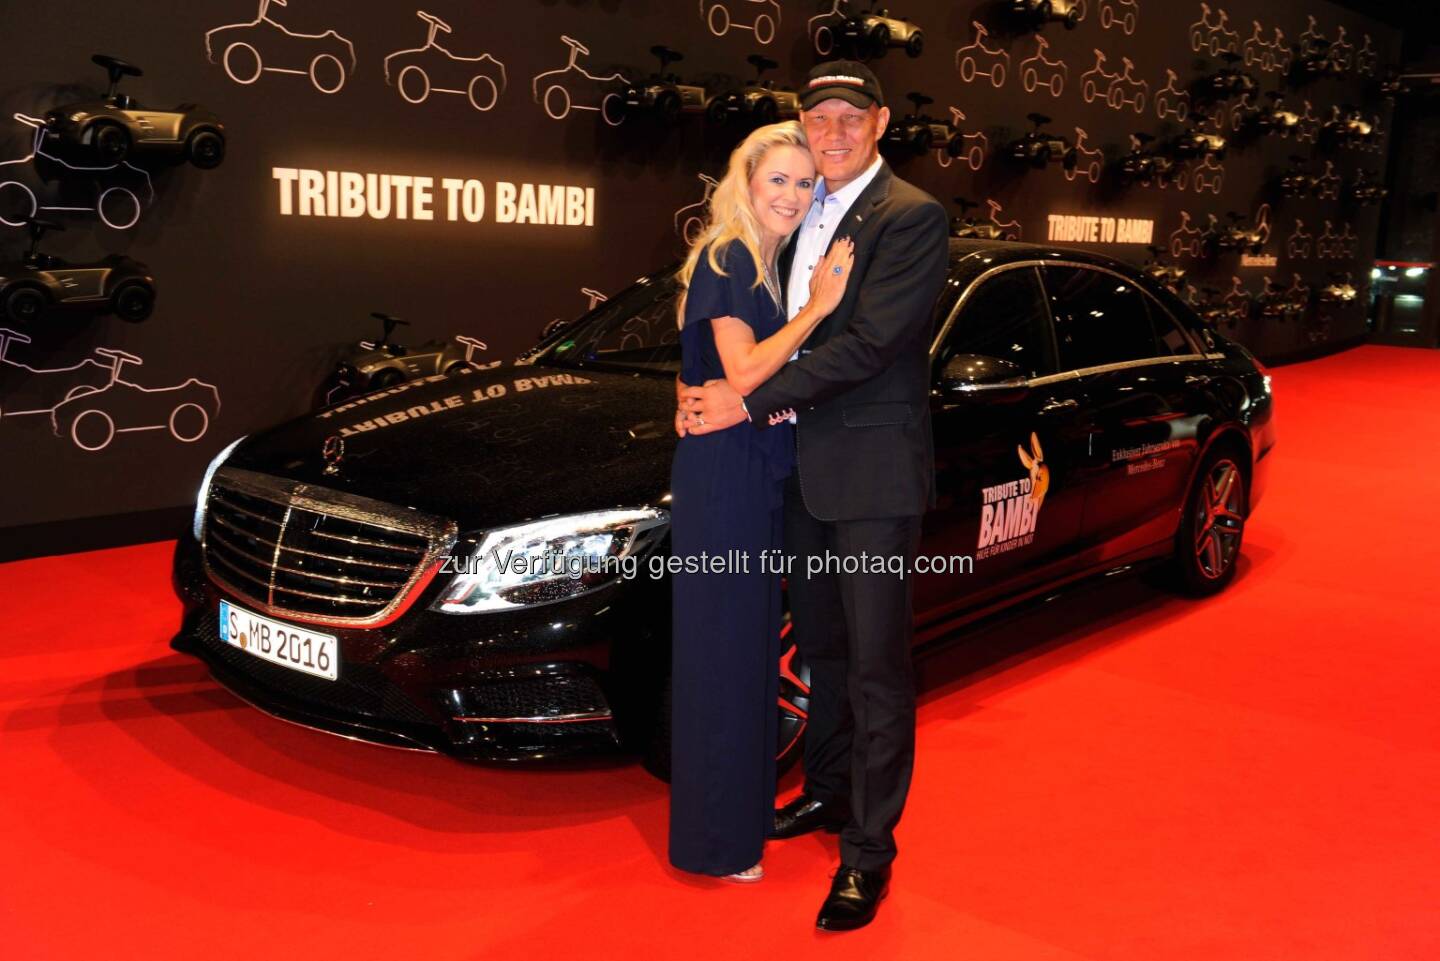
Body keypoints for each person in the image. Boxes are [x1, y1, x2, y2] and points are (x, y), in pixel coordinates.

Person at [677, 60, 949, 929]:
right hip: (795, 472)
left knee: (875, 666)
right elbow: (743, 335)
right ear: (801, 120)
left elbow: (868, 345)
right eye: (817, 117)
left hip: (870, 479)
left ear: (879, 124)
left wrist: (743, 400)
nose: (832, 133)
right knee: (825, 652)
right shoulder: (787, 222)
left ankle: (869, 853)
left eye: (849, 118)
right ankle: (828, 795)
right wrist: (703, 389)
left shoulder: (910, 216)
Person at [668, 121, 854, 883]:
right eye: (777, 178)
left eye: (805, 182)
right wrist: (817, 309)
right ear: (746, 184)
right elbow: (742, 372)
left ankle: (733, 827)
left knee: (743, 654)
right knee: (723, 657)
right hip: (726, 480)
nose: (792, 193)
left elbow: (717, 374)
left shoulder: (765, 266)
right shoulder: (730, 257)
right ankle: (715, 844)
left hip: (752, 471)